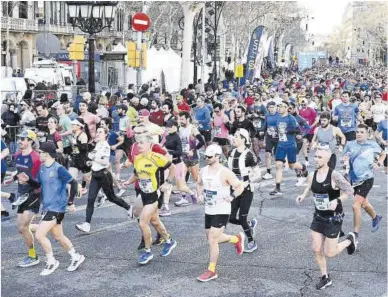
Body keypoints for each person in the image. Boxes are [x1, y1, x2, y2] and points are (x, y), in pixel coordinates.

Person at [18, 142, 85, 276]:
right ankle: (76, 256)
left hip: (57, 208)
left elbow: (73, 182)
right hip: (47, 206)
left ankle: (51, 261)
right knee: (58, 236)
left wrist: (71, 202)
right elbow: (38, 184)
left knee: (40, 234)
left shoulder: (58, 168)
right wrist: (28, 181)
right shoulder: (42, 168)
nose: (39, 154)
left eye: (41, 152)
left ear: (47, 154)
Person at [296, 146, 357, 290]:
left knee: (330, 252)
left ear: (328, 160)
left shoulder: (334, 175)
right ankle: (325, 277)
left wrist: (338, 200)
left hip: (334, 217)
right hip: (318, 215)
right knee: (316, 247)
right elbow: (310, 188)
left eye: (319, 157)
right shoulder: (313, 174)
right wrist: (303, 196)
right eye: (315, 156)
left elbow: (349, 190)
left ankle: (350, 240)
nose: (316, 159)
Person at [124, 133, 177, 264]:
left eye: (142, 143)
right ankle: (169, 241)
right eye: (137, 143)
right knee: (155, 222)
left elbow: (173, 168)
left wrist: (168, 182)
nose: (139, 145)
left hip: (154, 195)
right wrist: (127, 182)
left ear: (149, 144)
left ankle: (147, 252)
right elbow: (136, 175)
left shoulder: (157, 157)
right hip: (143, 195)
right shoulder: (137, 158)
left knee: (143, 223)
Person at [196, 144, 245, 282]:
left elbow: (239, 186)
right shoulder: (203, 171)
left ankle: (211, 270)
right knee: (211, 238)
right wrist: (199, 195)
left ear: (218, 156)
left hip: (222, 209)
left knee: (212, 239)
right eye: (205, 156)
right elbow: (199, 183)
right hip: (209, 208)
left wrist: (232, 197)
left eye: (210, 156)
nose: (207, 158)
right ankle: (236, 239)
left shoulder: (225, 172)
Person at [75, 127, 133, 233]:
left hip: (104, 175)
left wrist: (93, 158)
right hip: (95, 175)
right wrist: (91, 163)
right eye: (97, 132)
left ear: (106, 135)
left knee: (112, 197)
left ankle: (129, 208)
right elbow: (97, 160)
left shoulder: (105, 146)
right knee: (90, 199)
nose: (98, 133)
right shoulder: (98, 144)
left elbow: (106, 162)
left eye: (100, 132)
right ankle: (87, 224)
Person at [5, 130, 42, 267]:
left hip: (34, 193)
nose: (20, 141)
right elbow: (20, 172)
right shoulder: (18, 155)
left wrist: (29, 182)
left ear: (30, 141)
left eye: (23, 139)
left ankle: (33, 256)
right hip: (21, 194)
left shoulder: (36, 158)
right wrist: (12, 179)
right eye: (20, 138)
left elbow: (40, 182)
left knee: (22, 226)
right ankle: (44, 227)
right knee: (21, 228)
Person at [343, 124, 385, 239]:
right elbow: (345, 157)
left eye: (362, 132)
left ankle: (355, 234)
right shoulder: (350, 144)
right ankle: (376, 217)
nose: (359, 134)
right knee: (364, 204)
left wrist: (379, 163)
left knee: (356, 205)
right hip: (354, 179)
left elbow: (383, 153)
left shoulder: (372, 144)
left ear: (367, 133)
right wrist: (345, 159)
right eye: (357, 132)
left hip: (367, 178)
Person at [228, 129, 262, 252]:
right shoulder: (231, 153)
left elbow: (258, 174)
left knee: (242, 218)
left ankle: (251, 242)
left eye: (236, 136)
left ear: (243, 139)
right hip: (234, 190)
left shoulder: (249, 154)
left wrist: (246, 182)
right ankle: (250, 225)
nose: (233, 138)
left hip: (247, 191)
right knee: (231, 218)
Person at [270, 101, 308, 195]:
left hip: (290, 144)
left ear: (287, 108)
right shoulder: (278, 117)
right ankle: (277, 188)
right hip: (281, 144)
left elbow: (298, 129)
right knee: (278, 165)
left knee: (292, 165)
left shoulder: (291, 118)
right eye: (279, 106)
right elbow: (278, 129)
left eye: (283, 106)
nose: (280, 108)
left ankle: (303, 167)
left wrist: (298, 134)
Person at [176, 112, 205, 206]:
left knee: (196, 178)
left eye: (182, 119)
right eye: (180, 119)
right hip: (183, 157)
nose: (180, 121)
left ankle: (201, 194)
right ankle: (183, 198)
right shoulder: (180, 128)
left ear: (188, 119)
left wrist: (193, 149)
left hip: (193, 158)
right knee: (182, 176)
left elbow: (202, 141)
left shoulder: (192, 128)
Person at [263, 102, 280, 180]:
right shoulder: (267, 115)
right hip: (269, 137)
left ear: (276, 107)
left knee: (277, 156)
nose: (271, 109)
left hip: (278, 138)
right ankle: (268, 172)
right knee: (267, 154)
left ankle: (278, 171)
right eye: (269, 107)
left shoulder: (279, 115)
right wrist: (263, 135)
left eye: (273, 107)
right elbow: (265, 126)